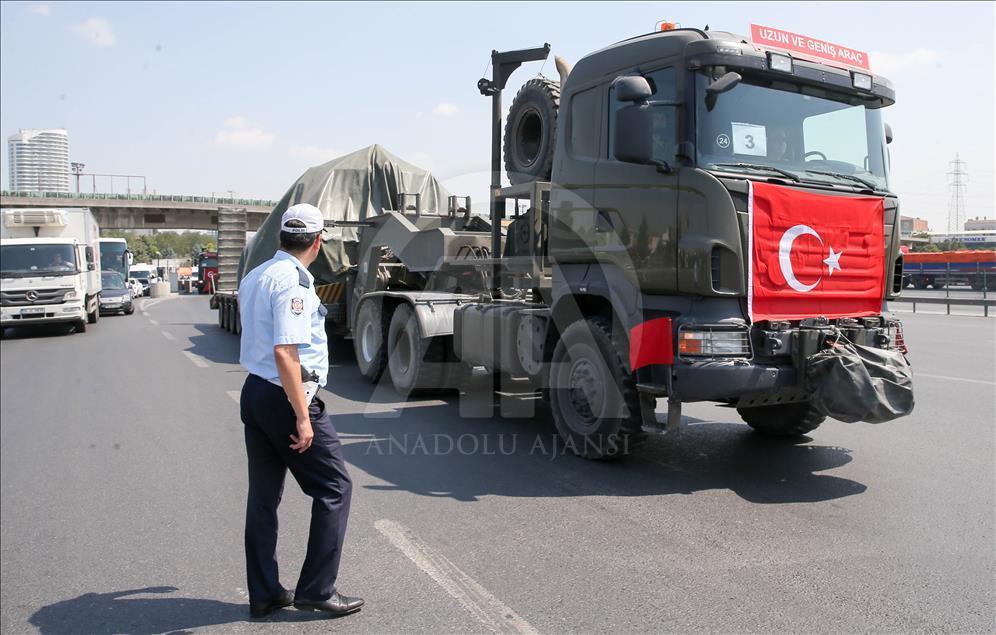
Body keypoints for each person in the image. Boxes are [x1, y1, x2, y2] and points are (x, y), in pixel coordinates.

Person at [238, 203, 363, 619]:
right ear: (317, 241)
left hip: (255, 393)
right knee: (334, 488)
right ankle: (316, 590)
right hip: (286, 395)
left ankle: (265, 592)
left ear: (281, 238)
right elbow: (285, 352)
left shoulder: (256, 275)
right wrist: (304, 416)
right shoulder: (293, 283)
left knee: (263, 498)